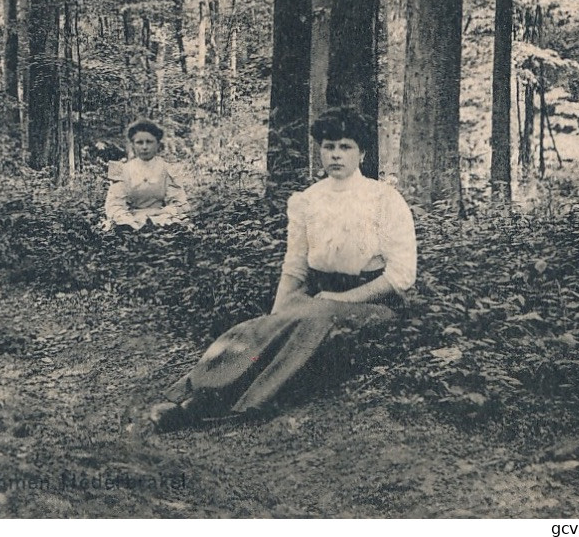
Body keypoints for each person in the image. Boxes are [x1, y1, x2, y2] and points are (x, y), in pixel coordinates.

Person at [147, 106, 416, 430]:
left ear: (362, 152)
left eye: (345, 146)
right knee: (258, 328)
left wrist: (340, 300)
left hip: (374, 305)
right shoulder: (308, 200)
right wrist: (274, 316)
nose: (336, 155)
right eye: (328, 146)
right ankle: (195, 395)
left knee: (311, 321)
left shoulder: (383, 198)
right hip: (318, 300)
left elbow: (401, 275)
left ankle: (245, 405)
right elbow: (295, 268)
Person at [102, 119, 186, 231]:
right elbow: (115, 204)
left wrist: (161, 213)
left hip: (162, 217)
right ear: (133, 145)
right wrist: (128, 221)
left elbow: (179, 202)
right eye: (139, 142)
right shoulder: (123, 170)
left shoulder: (168, 169)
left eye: (149, 142)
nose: (145, 147)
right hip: (131, 219)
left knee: (175, 226)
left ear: (157, 144)